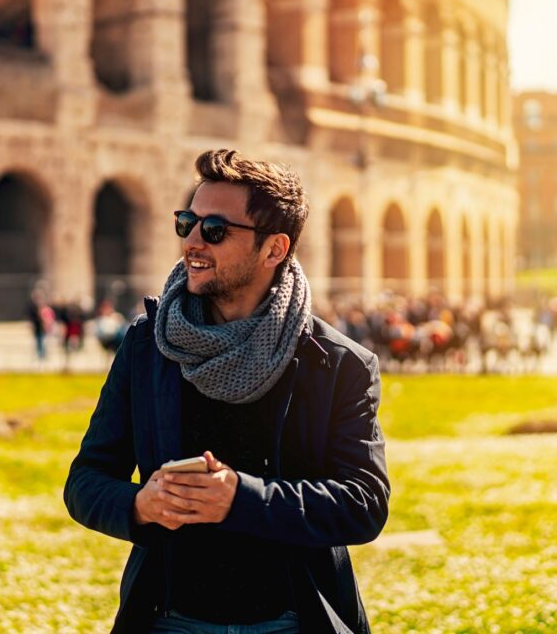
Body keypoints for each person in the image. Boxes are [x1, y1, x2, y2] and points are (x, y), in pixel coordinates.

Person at [64, 149, 389, 634]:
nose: (193, 241)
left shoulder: (338, 364)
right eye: (187, 222)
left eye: (214, 229)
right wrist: (138, 505)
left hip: (292, 619)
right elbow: (85, 480)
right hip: (167, 618)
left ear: (274, 250)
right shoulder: (148, 345)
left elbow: (364, 503)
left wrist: (241, 499)